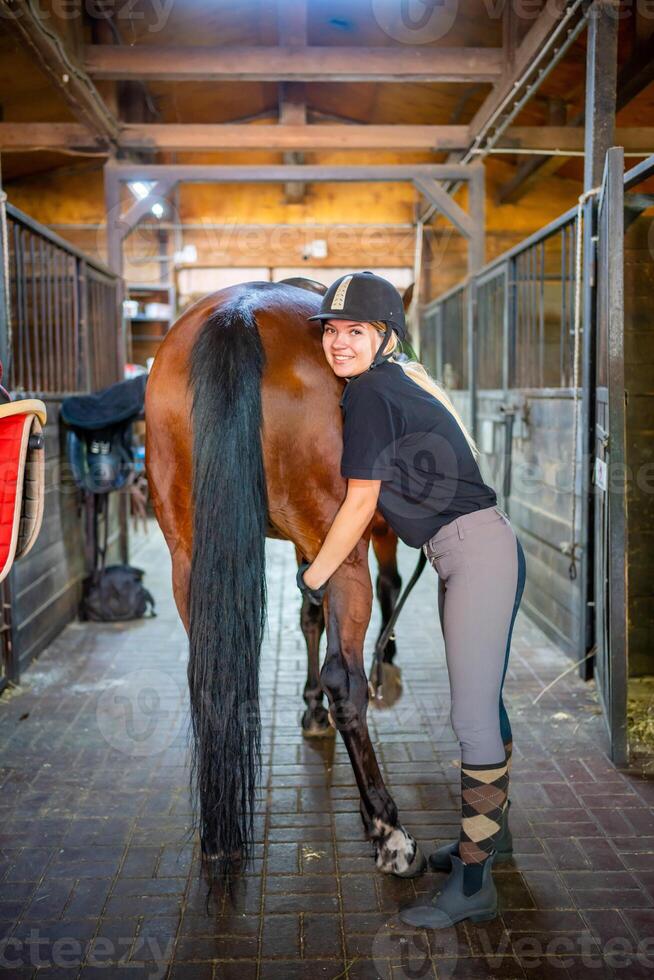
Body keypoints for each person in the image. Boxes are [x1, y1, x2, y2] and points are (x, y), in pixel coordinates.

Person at [297, 271, 526, 929]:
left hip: (475, 555)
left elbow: (360, 502)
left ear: (384, 336)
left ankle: (476, 887)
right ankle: (486, 841)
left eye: (355, 332)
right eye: (331, 332)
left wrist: (314, 577)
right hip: (478, 549)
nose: (339, 344)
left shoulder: (368, 393)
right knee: (486, 705)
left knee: (473, 717)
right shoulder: (399, 377)